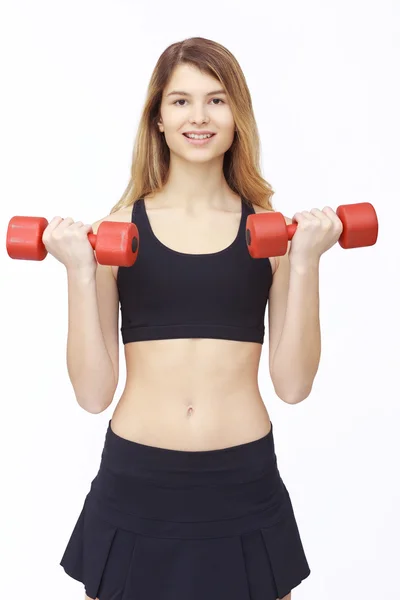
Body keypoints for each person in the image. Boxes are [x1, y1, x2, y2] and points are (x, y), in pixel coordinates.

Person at [50, 37, 343, 600]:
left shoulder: (275, 236)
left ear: (238, 114)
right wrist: (79, 272)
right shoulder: (114, 232)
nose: (199, 117)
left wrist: (305, 261)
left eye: (216, 99)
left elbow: (293, 385)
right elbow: (93, 393)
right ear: (157, 117)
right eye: (181, 101)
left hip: (242, 483)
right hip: (137, 483)